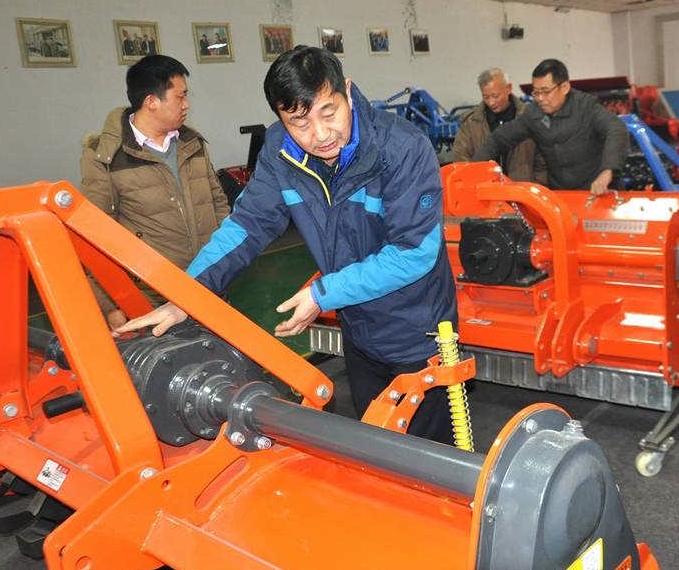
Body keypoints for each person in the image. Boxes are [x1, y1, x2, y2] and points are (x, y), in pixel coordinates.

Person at [116, 46, 458, 444]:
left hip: (419, 329)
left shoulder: (402, 148)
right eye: (300, 122)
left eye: (329, 112)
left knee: (428, 454)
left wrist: (322, 294)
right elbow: (247, 225)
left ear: (347, 92)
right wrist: (186, 296)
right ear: (281, 117)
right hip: (359, 327)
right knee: (379, 442)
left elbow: (413, 253)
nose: (321, 134)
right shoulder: (281, 151)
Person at [80, 54, 229, 329]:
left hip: (208, 284)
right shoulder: (105, 156)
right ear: (151, 102)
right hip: (150, 297)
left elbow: (217, 202)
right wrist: (111, 305)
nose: (187, 104)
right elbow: (94, 235)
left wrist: (224, 262)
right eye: (180, 96)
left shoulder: (192, 143)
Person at [472, 58, 629, 193]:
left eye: (546, 91)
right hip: (562, 195)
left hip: (599, 191)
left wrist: (607, 171)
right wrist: (470, 171)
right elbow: (500, 138)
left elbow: (616, 129)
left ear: (564, 87)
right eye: (536, 92)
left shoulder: (586, 106)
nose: (540, 98)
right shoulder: (534, 114)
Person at [452, 67, 545, 183]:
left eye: (495, 96)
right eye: (486, 97)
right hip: (484, 191)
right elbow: (460, 159)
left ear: (509, 88)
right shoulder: (471, 123)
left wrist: (536, 187)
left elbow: (542, 160)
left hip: (523, 191)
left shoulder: (529, 117)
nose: (491, 102)